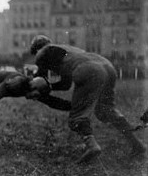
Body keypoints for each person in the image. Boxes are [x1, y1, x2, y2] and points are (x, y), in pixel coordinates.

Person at [30, 35, 146, 163]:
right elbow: (65, 84)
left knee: (77, 116)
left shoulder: (43, 52)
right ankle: (136, 143)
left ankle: (92, 146)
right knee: (106, 110)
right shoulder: (67, 49)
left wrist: (35, 90)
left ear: (36, 49)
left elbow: (38, 83)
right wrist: (51, 86)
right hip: (107, 66)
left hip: (88, 69)